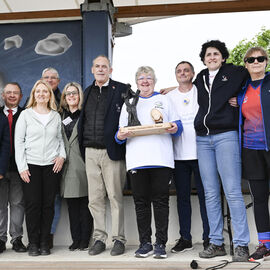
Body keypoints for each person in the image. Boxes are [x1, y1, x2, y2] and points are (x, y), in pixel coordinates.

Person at [116, 66, 182, 259]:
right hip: (137, 161)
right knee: (141, 203)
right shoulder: (129, 102)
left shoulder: (164, 100)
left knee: (161, 203)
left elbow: (178, 128)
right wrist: (120, 135)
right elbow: (119, 134)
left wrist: (173, 128)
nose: (145, 81)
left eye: (149, 78)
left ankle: (160, 243)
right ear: (136, 82)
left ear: (154, 81)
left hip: (161, 160)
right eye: (141, 78)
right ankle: (145, 243)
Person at [194, 40, 250, 261]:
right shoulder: (200, 77)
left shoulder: (235, 72)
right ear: (204, 58)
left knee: (233, 192)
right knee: (210, 193)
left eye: (216, 54)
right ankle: (216, 243)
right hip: (203, 139)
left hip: (226, 135)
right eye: (208, 54)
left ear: (223, 57)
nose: (212, 57)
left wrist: (242, 99)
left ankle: (241, 245)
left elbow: (256, 80)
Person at [77, 55, 127, 256]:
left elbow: (139, 104)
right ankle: (99, 239)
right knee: (95, 199)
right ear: (92, 70)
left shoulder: (122, 89)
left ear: (110, 70)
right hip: (90, 151)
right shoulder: (87, 91)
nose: (100, 69)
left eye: (104, 66)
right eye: (97, 66)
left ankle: (119, 239)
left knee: (115, 197)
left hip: (111, 151)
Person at [15, 80, 66, 256]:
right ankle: (33, 243)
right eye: (38, 91)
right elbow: (18, 142)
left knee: (48, 205)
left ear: (50, 95)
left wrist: (62, 156)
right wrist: (22, 166)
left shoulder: (55, 116)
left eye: (45, 91)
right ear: (34, 94)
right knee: (32, 205)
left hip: (51, 167)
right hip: (31, 166)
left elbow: (60, 140)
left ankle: (45, 242)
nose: (42, 94)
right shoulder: (26, 115)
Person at [166, 62, 210, 253]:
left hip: (202, 153)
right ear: (175, 75)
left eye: (186, 70)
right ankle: (185, 238)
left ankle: (210, 237)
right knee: (182, 198)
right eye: (179, 71)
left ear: (193, 73)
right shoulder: (168, 96)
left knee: (206, 197)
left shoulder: (202, 90)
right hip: (178, 156)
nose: (182, 73)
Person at [236, 47, 270, 262]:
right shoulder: (240, 89)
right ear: (246, 64)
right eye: (251, 59)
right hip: (251, 150)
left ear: (266, 62)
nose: (256, 62)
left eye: (260, 58)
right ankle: (265, 245)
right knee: (259, 199)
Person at [59, 82, 93, 251]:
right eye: (68, 94)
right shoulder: (60, 116)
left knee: (85, 204)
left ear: (80, 96)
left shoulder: (85, 115)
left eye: (74, 93)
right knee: (72, 206)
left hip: (83, 164)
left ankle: (85, 239)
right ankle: (76, 239)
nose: (71, 96)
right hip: (66, 166)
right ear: (64, 98)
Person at [0, 83, 26, 253]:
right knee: (0, 205)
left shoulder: (26, 115)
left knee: (17, 204)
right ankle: (0, 239)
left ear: (21, 96)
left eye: (15, 93)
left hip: (19, 168)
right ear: (3, 95)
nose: (11, 95)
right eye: (8, 93)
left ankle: (16, 239)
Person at [0, 103, 10, 253]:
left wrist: (1, 169)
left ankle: (1, 238)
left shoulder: (1, 118)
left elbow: (5, 145)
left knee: (1, 207)